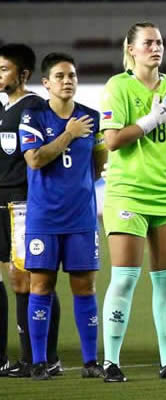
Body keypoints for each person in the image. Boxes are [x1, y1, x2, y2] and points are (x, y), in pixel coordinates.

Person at [99, 21, 166, 382]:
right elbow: (112, 141)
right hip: (128, 193)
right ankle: (111, 362)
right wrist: (152, 119)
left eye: (160, 42)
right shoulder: (117, 87)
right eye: (148, 43)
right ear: (131, 49)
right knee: (124, 279)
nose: (156, 48)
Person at [20, 52, 105, 381]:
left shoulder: (92, 118)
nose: (67, 81)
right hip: (44, 218)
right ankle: (39, 361)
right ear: (46, 83)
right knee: (41, 286)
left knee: (85, 288)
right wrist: (68, 134)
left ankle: (90, 362)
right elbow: (36, 159)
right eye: (60, 76)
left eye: (72, 75)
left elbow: (99, 163)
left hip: (81, 219)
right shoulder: (34, 116)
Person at [0, 43, 61, 378]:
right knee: (18, 280)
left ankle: (40, 357)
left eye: (4, 69)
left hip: (23, 204)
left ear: (23, 74)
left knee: (31, 280)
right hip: (1, 203)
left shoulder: (35, 107)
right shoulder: (3, 108)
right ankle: (23, 357)